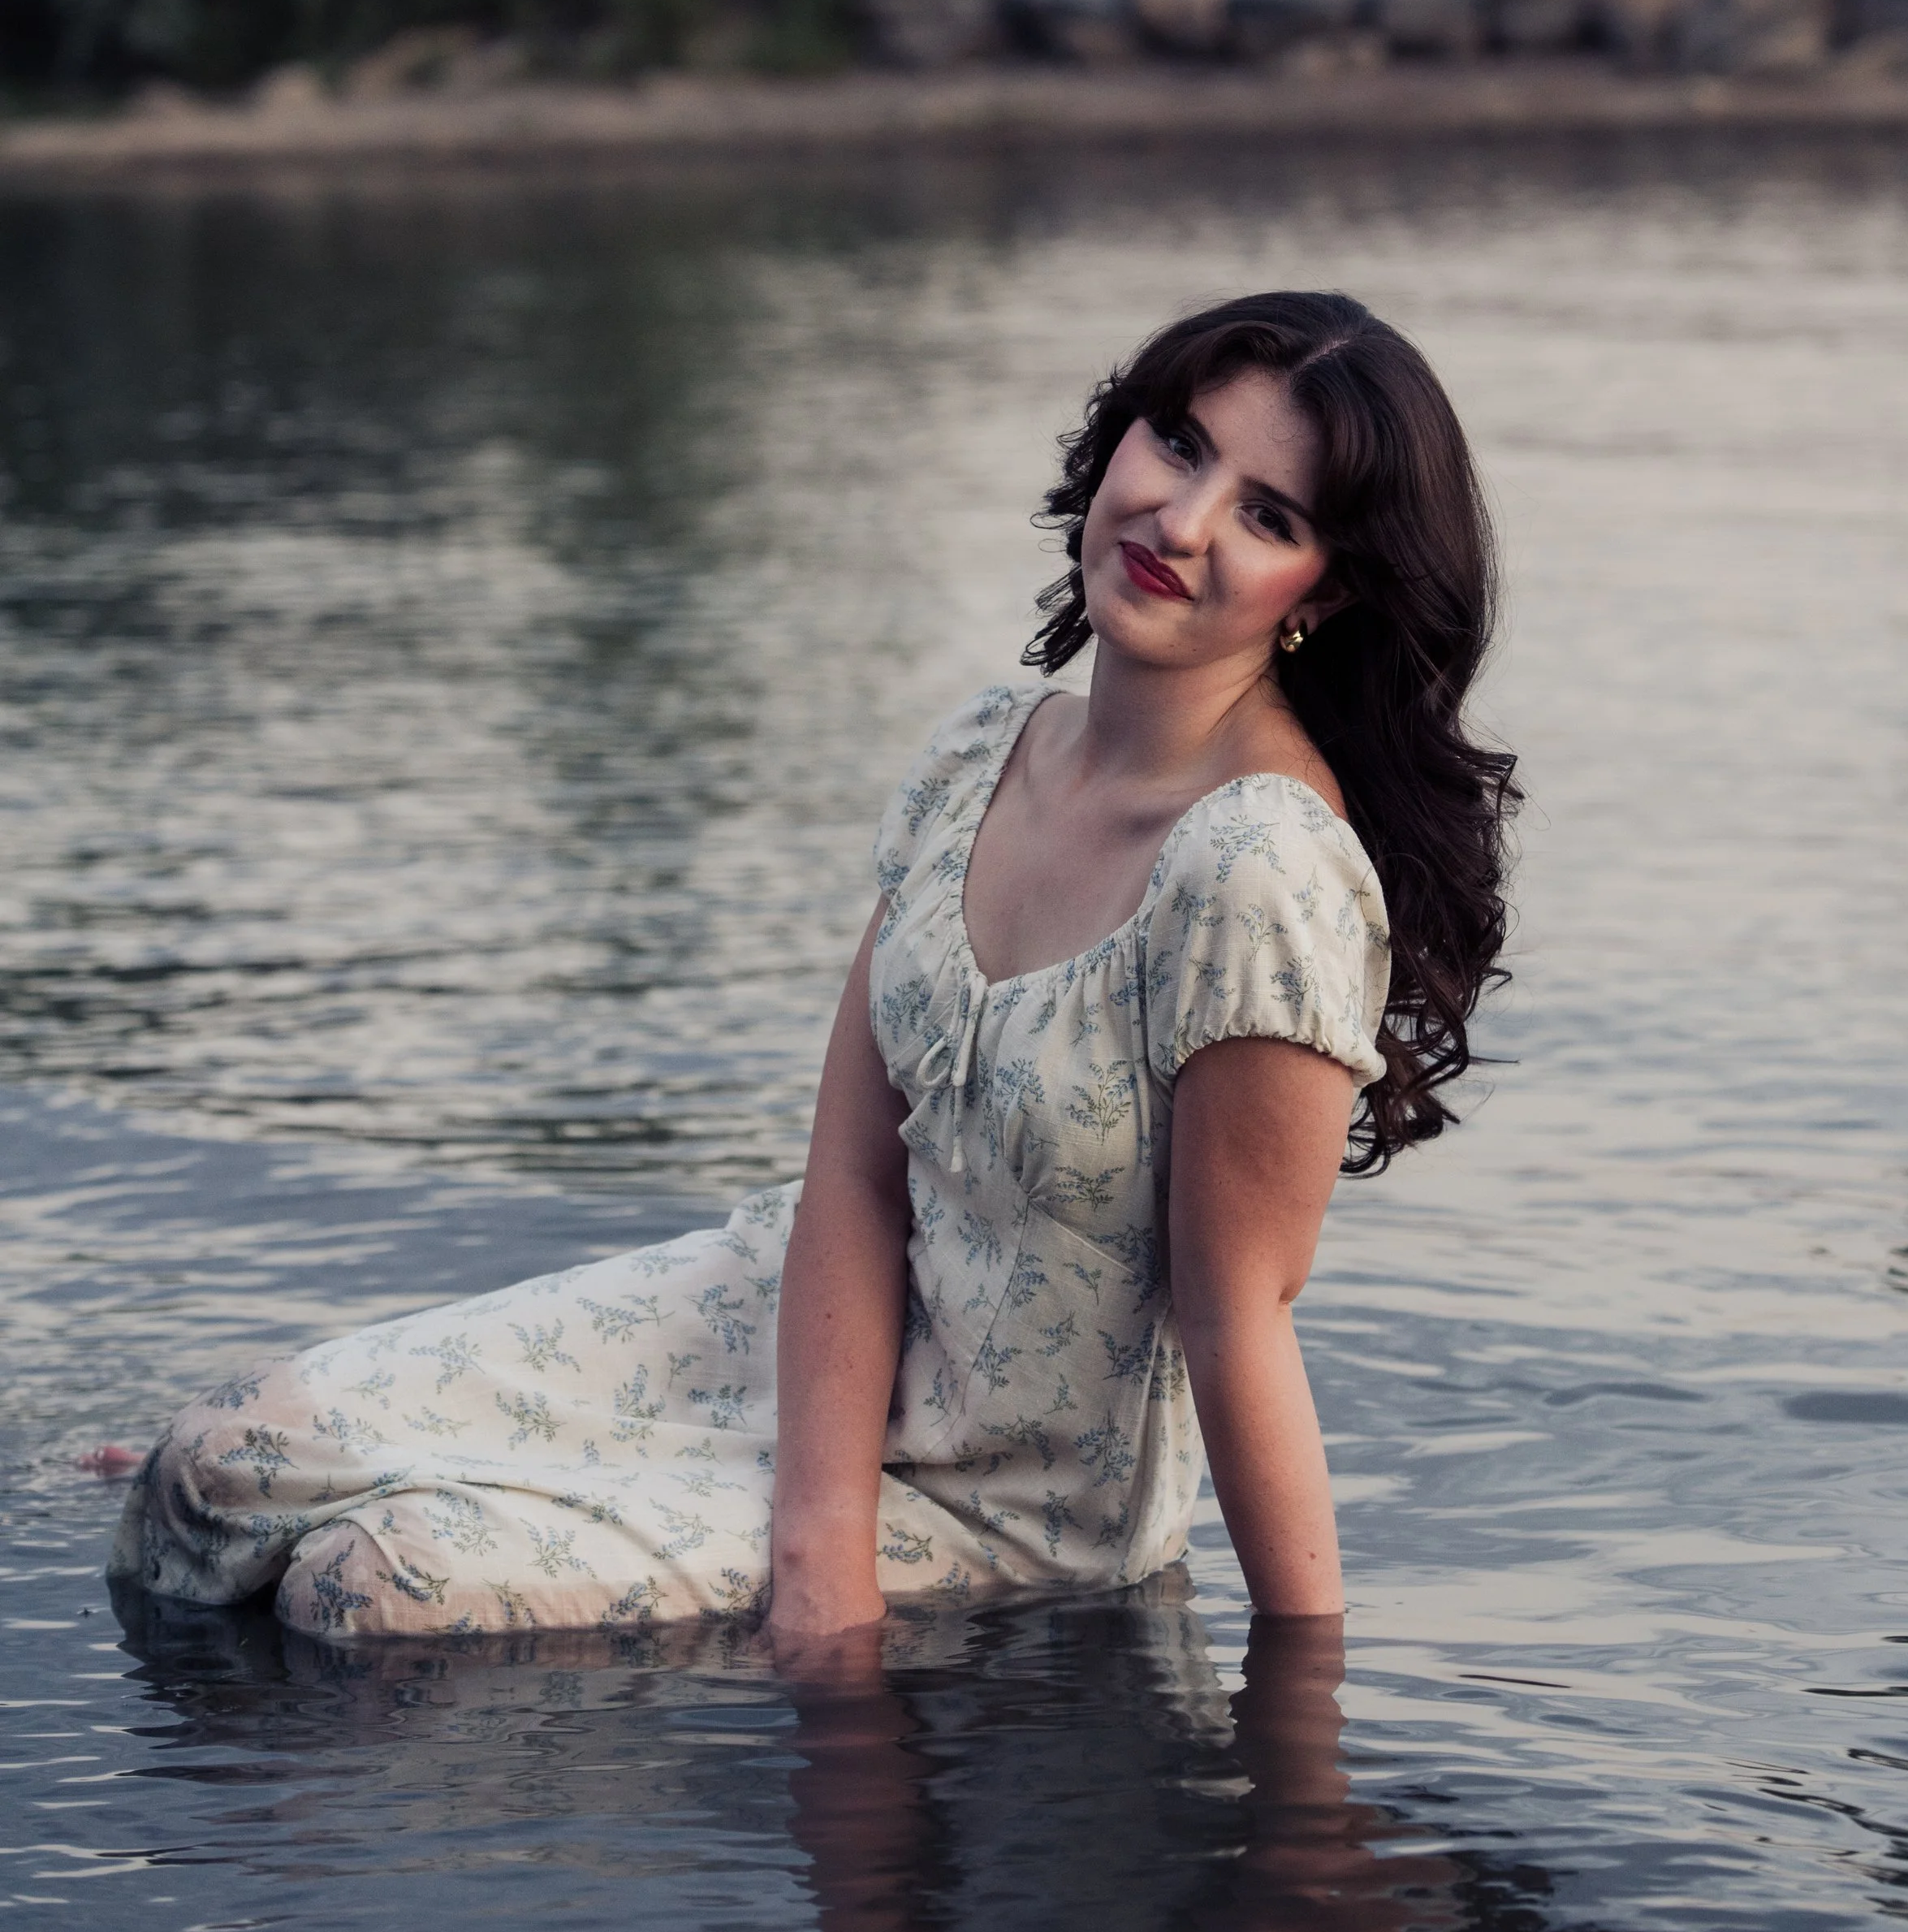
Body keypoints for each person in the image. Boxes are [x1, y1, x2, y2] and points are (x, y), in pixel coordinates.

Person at [113, 291, 1517, 1642]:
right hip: (796, 1322)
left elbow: (1238, 1317)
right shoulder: (990, 752)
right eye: (1181, 443)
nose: (1184, 519)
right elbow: (854, 1172)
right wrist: (811, 1525)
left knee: (360, 1586)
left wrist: (1304, 1758)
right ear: (1123, 439)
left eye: (1267, 515)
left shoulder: (1259, 871)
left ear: (1320, 597)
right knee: (217, 1463)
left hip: (1006, 1500)